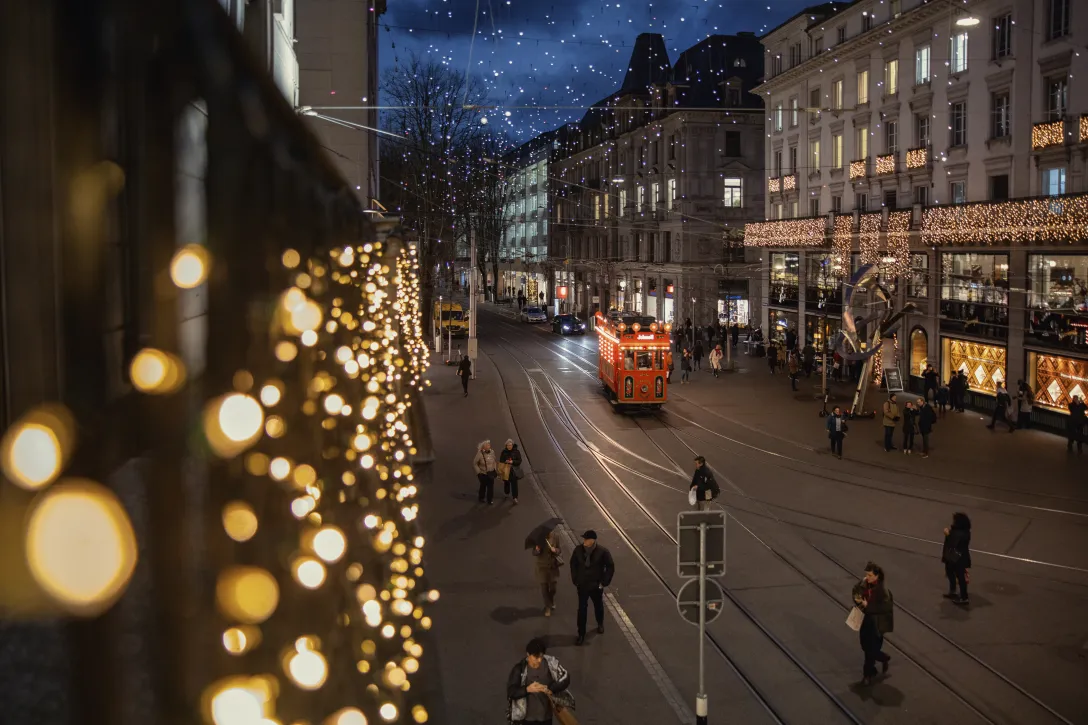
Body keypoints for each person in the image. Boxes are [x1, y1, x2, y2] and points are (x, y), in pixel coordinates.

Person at [506, 637, 571, 725]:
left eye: (541, 656)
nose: (539, 660)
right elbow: (511, 692)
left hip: (546, 718)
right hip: (527, 719)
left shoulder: (551, 664)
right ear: (528, 654)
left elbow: (565, 678)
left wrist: (550, 688)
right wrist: (527, 689)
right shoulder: (519, 669)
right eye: (536, 657)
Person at [569, 530, 615, 646]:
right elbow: (573, 564)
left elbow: (610, 567)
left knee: (598, 605)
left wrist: (603, 582)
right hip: (583, 585)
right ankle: (581, 634)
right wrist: (576, 580)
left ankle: (600, 623)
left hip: (596, 585)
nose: (584, 541)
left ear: (593, 541)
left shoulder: (602, 552)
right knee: (582, 610)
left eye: (586, 539)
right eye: (584, 539)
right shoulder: (578, 550)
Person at [852, 562, 893, 686]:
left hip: (877, 625)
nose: (867, 577)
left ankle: (867, 675)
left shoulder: (884, 592)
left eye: (870, 575)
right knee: (865, 647)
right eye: (866, 575)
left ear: (877, 576)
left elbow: (885, 608)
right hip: (865, 622)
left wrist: (868, 606)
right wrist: (861, 585)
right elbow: (855, 593)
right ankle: (883, 658)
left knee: (870, 651)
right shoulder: (864, 586)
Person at [941, 512, 972, 605]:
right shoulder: (961, 531)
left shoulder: (961, 533)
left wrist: (948, 534)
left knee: (960, 576)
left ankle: (964, 597)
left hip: (958, 558)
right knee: (950, 572)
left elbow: (953, 542)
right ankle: (953, 590)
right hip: (953, 557)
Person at [533, 531, 562, 617]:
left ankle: (551, 600)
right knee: (544, 589)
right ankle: (547, 607)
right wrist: (537, 550)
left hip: (553, 567)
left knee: (553, 589)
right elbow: (534, 552)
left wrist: (555, 550)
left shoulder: (556, 536)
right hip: (542, 567)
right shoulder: (539, 538)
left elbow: (559, 549)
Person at [499, 439, 523, 505]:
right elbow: (501, 460)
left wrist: (512, 462)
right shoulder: (504, 452)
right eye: (508, 445)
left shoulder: (516, 452)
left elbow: (519, 461)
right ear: (506, 446)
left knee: (514, 484)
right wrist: (505, 462)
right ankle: (507, 493)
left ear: (512, 445)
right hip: (506, 470)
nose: (509, 446)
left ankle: (515, 497)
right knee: (506, 482)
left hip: (514, 471)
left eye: (510, 445)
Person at [473, 440, 497, 505]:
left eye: (489, 445)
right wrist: (479, 472)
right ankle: (481, 497)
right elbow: (475, 463)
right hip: (483, 474)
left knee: (491, 487)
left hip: (491, 473)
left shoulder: (492, 452)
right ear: (483, 447)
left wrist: (494, 469)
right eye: (487, 445)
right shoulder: (480, 454)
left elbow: (494, 461)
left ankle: (490, 499)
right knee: (483, 486)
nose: (489, 446)